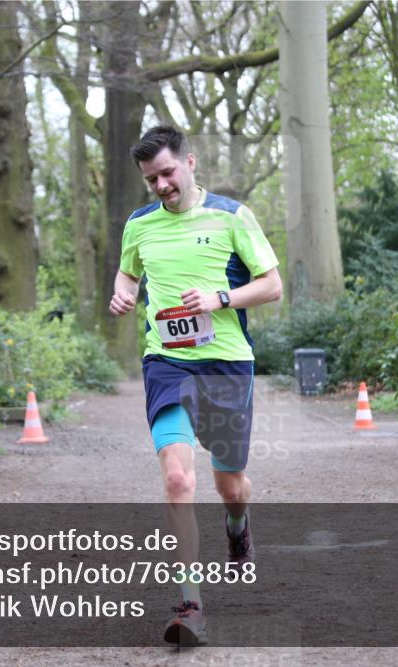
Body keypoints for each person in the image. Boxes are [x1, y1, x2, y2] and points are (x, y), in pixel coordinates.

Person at [108, 126, 282, 645]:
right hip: (167, 362)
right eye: (150, 179)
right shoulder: (139, 225)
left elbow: (272, 285)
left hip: (227, 364)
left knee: (230, 485)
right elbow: (127, 275)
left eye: (167, 173)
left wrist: (220, 299)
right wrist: (122, 294)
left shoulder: (232, 216)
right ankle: (190, 605)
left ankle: (239, 525)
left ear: (190, 162)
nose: (160, 185)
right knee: (179, 480)